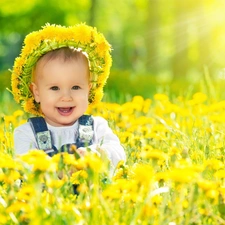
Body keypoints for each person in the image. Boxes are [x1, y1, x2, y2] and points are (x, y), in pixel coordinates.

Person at [11, 23, 126, 168]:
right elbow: (24, 166)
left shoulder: (97, 127)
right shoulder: (27, 133)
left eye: (76, 87)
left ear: (88, 91)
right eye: (54, 88)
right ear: (37, 93)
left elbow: (118, 153)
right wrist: (56, 168)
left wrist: (97, 154)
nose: (66, 97)